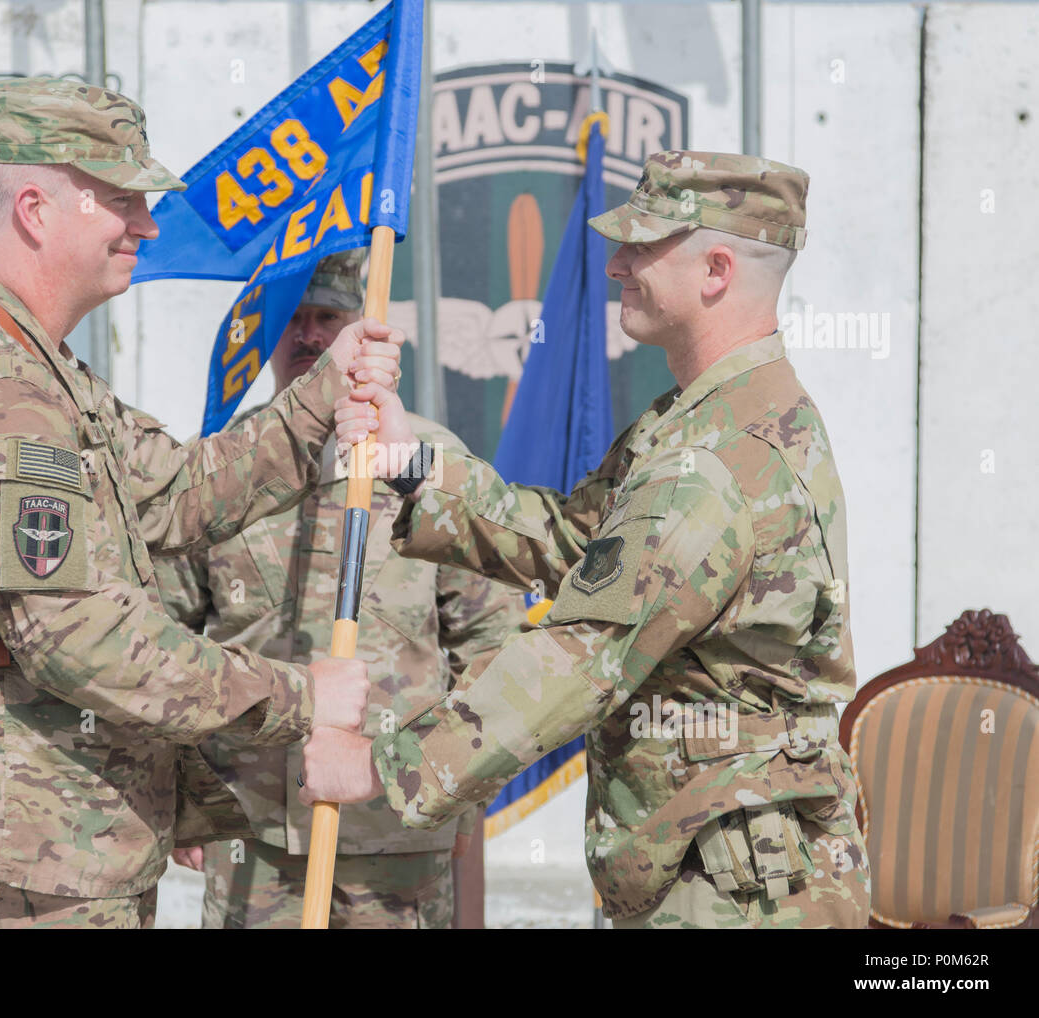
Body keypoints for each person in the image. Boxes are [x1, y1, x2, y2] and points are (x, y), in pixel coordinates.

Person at [0, 77, 401, 928]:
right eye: (120, 199)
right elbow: (81, 638)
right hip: (25, 871)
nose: (145, 223)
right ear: (36, 210)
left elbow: (178, 492)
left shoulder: (38, 373)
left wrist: (318, 401)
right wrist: (300, 697)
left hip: (54, 855)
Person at [305, 151, 873, 929]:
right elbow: (582, 546)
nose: (614, 266)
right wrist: (416, 471)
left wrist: (378, 764)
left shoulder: (714, 463)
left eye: (642, 245)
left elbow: (581, 655)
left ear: (715, 270)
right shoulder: (704, 421)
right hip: (713, 861)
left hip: (736, 897)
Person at [160, 251, 524, 928]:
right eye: (294, 319)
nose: (309, 336)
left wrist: (462, 785)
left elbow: (492, 644)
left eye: (328, 318)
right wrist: (179, 791)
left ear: (363, 328)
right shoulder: (217, 468)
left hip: (394, 825)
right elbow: (165, 637)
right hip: (252, 830)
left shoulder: (429, 464)